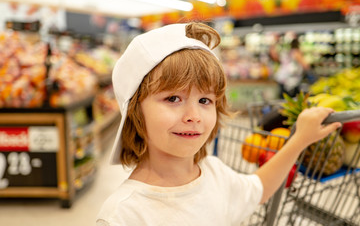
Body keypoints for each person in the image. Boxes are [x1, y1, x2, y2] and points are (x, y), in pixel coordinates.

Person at [96, 22, 341, 226]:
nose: (194, 115)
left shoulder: (214, 173)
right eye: (173, 98)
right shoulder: (123, 215)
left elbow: (259, 188)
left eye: (205, 100)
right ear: (134, 110)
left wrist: (299, 140)